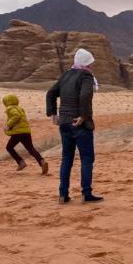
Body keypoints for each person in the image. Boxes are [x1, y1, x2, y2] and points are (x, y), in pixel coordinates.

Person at [46, 48, 102, 204]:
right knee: (86, 158)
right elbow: (85, 95)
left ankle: (63, 195)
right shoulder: (85, 75)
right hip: (79, 123)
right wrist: (84, 115)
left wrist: (54, 114)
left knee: (67, 159)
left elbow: (50, 93)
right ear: (86, 63)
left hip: (64, 123)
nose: (92, 66)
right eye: (90, 63)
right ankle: (86, 193)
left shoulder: (66, 75)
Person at [2, 94, 49, 174]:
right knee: (30, 149)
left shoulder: (10, 108)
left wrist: (8, 125)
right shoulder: (20, 108)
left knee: (9, 147)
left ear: (7, 101)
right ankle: (42, 161)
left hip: (17, 132)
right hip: (26, 131)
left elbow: (16, 116)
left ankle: (21, 162)